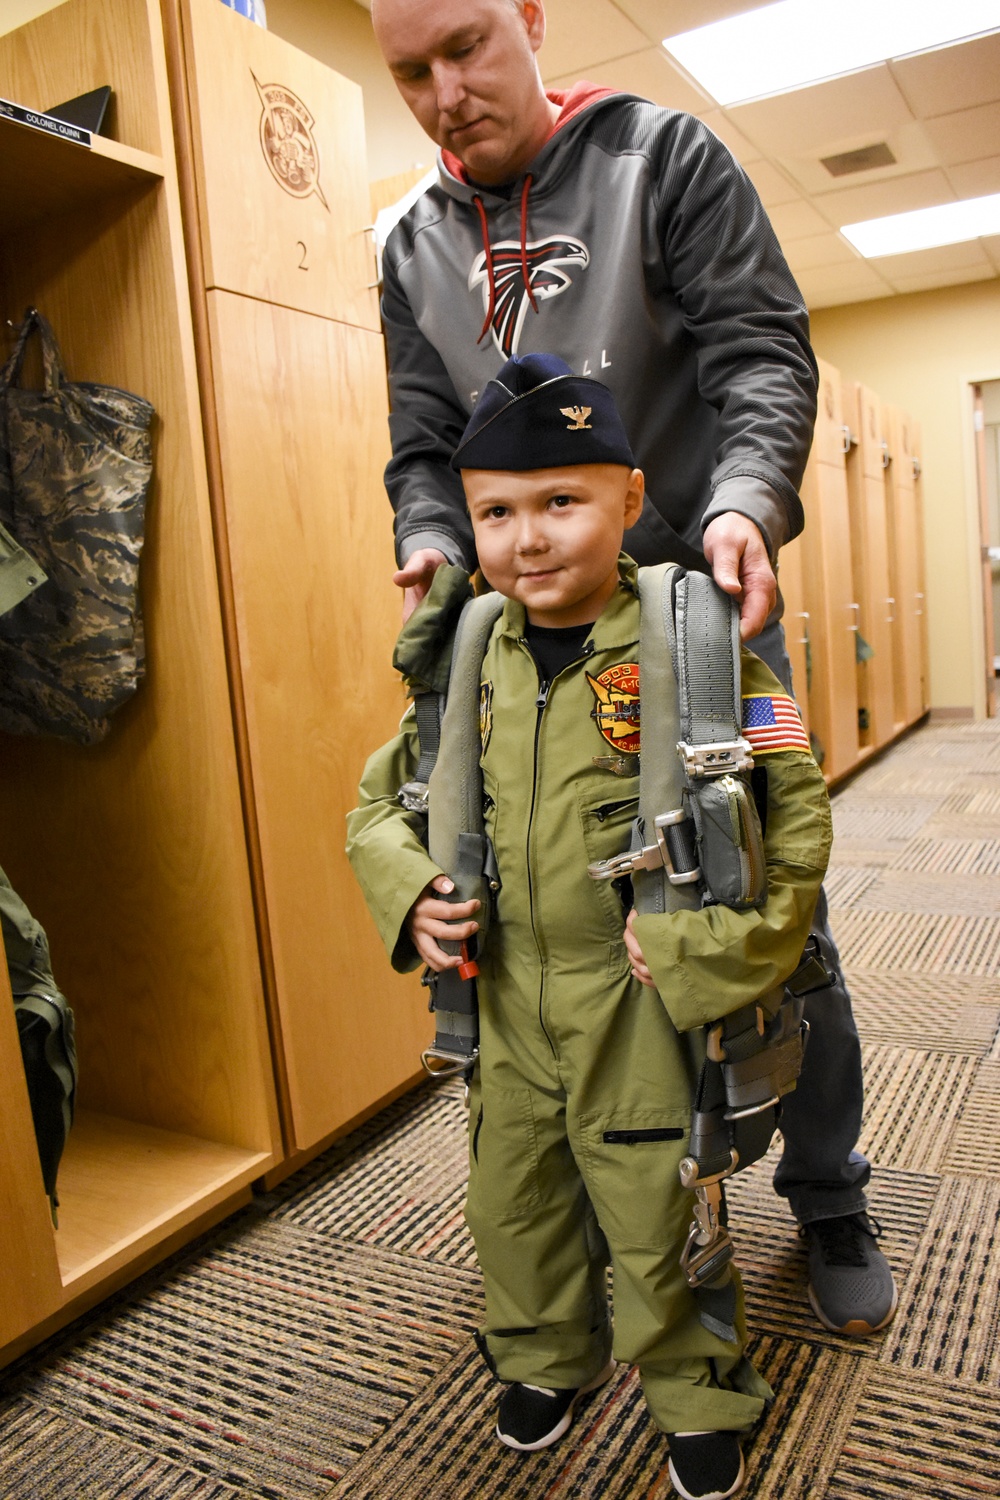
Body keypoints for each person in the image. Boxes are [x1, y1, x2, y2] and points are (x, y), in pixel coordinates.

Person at [368, 0, 897, 1338]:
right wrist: (432, 544)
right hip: (530, 636)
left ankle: (829, 1188)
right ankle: (633, 1197)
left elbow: (759, 352)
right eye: (410, 70)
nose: (445, 90)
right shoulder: (410, 241)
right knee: (557, 925)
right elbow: (423, 442)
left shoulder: (664, 158)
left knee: (766, 913)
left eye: (469, 45)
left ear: (532, 19)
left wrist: (742, 504)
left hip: (691, 613)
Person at [347, 355, 834, 1499]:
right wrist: (410, 891)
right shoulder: (464, 655)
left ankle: (693, 1386)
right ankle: (542, 1355)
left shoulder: (699, 645)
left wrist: (706, 954)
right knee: (512, 1205)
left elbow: (798, 827)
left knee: (658, 1203)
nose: (527, 538)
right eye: (496, 513)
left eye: (560, 501)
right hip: (507, 1001)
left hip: (642, 1004)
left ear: (629, 492)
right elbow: (380, 803)